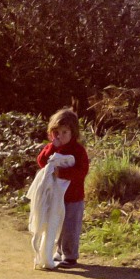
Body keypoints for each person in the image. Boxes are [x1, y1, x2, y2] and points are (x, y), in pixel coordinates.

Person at [36, 108, 90, 269]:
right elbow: (41, 162)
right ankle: (59, 251)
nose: (60, 136)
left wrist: (63, 173)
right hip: (56, 196)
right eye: (57, 132)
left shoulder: (78, 150)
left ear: (73, 132)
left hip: (73, 197)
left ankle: (70, 255)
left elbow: (82, 172)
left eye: (64, 132)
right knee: (56, 223)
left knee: (70, 227)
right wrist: (52, 147)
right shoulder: (53, 147)